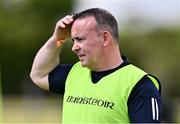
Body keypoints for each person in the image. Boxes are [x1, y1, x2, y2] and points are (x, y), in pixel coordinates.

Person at [30, 8, 162, 123]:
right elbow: (38, 75)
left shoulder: (140, 85)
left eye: (80, 39)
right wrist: (57, 38)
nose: (74, 48)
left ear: (105, 38)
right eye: (73, 40)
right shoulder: (74, 73)